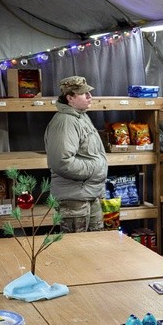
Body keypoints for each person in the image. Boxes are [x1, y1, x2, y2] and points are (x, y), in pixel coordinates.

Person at [45, 75, 107, 232]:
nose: (89, 96)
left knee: (95, 249)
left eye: (89, 92)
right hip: (74, 200)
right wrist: (94, 169)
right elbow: (62, 162)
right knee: (76, 251)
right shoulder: (65, 121)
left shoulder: (80, 117)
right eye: (83, 93)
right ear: (70, 98)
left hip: (88, 195)